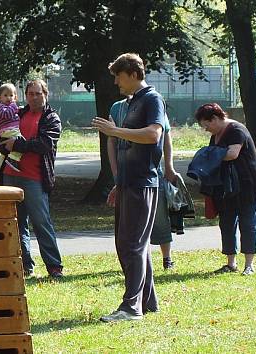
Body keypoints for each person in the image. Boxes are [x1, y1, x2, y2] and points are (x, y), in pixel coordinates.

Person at [92, 53, 165, 322]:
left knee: (131, 244)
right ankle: (147, 301)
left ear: (133, 74)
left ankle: (130, 307)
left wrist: (116, 132)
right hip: (127, 182)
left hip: (143, 182)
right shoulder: (132, 102)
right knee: (134, 244)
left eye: (118, 76)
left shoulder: (152, 99)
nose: (116, 82)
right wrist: (117, 181)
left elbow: (154, 134)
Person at [0, 79, 64, 278]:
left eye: (38, 93)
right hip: (10, 176)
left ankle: (54, 267)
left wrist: (16, 145)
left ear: (45, 94)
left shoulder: (51, 118)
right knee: (16, 224)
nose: (34, 97)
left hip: (34, 179)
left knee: (41, 222)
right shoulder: (18, 113)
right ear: (25, 95)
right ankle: (25, 266)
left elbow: (44, 144)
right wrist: (1, 143)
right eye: (30, 94)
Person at [107, 98, 178, 270]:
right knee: (133, 224)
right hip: (127, 174)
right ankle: (139, 263)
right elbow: (112, 141)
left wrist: (169, 167)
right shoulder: (117, 107)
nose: (117, 82)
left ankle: (166, 258)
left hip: (151, 173)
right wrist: (116, 175)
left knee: (160, 216)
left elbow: (165, 136)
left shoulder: (152, 103)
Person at [194, 103, 256, 276]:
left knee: (248, 223)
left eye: (206, 125)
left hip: (248, 183)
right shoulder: (216, 135)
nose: (206, 129)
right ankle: (231, 264)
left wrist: (209, 156)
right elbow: (216, 154)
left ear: (216, 118)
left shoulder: (236, 130)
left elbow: (233, 154)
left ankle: (249, 265)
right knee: (226, 222)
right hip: (226, 184)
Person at [0, 83, 22, 172]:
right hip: (8, 131)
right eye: (5, 95)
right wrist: (14, 106)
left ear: (15, 96)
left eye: (11, 95)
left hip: (8, 131)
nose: (9, 98)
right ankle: (14, 159)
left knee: (4, 155)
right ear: (0, 97)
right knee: (21, 141)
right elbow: (6, 114)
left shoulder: (9, 107)